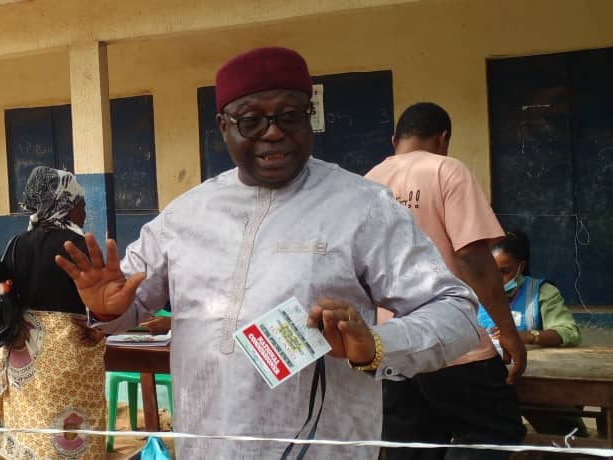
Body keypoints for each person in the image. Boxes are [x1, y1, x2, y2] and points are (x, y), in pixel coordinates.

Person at [54, 47, 482, 459]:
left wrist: (375, 345)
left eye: (289, 116)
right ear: (224, 126)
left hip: (321, 448)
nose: (273, 131)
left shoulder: (363, 207)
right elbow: (127, 306)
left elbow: (456, 311)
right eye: (252, 120)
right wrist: (109, 311)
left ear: (309, 117)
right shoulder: (185, 215)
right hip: (207, 448)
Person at [365, 102, 527, 459]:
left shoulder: (368, 182)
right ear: (443, 138)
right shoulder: (447, 170)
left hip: (392, 346)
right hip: (452, 343)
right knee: (495, 432)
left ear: (395, 140)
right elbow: (473, 258)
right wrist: (509, 334)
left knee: (413, 445)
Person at [0, 166, 107, 459]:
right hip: (70, 351)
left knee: (30, 420)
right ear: (65, 204)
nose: (84, 212)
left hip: (25, 350)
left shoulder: (17, 243)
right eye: (80, 204)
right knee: (72, 424)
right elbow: (96, 304)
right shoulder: (78, 246)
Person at [482, 230, 586, 441]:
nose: (496, 279)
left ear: (521, 265)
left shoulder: (541, 292)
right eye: (490, 271)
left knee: (565, 433)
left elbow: (569, 332)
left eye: (504, 271)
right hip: (488, 381)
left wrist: (528, 336)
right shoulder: (474, 293)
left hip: (534, 380)